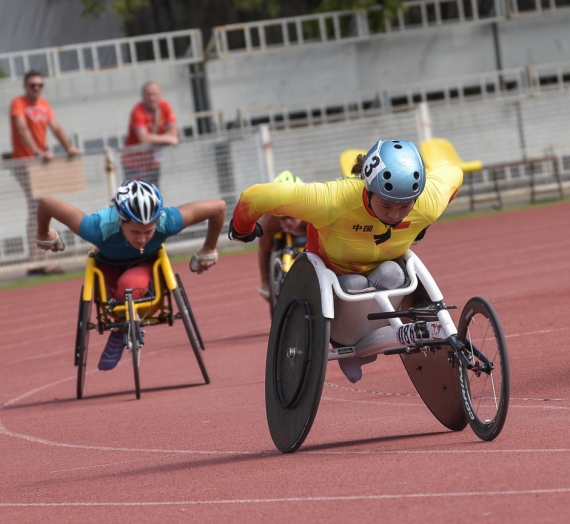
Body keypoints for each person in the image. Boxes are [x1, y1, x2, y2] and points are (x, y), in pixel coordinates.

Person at [228, 139, 463, 383]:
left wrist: (424, 223)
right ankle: (347, 342)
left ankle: (370, 330)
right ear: (368, 190)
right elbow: (254, 197)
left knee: (393, 273)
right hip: (336, 275)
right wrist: (241, 228)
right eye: (386, 205)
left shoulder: (427, 203)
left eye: (405, 206)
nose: (394, 214)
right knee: (354, 284)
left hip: (385, 270)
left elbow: (454, 174)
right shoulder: (331, 199)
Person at [35, 179, 225, 371]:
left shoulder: (168, 221)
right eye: (134, 231)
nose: (142, 239)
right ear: (120, 220)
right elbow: (46, 203)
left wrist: (209, 249)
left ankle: (120, 329)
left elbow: (218, 208)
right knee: (110, 298)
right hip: (107, 264)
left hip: (143, 264)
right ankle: (120, 325)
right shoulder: (96, 227)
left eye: (149, 231)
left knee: (129, 288)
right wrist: (43, 234)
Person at [10, 69, 79, 275]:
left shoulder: (43, 104)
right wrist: (37, 151)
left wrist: (69, 147)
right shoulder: (18, 103)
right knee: (38, 209)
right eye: (32, 85)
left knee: (38, 209)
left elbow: (55, 127)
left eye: (40, 85)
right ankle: (38, 261)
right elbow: (22, 129)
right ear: (25, 86)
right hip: (25, 162)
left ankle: (39, 260)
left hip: (40, 164)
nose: (37, 88)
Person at [257, 170, 308, 301]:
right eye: (280, 217)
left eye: (289, 217)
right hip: (282, 242)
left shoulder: (314, 213)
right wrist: (265, 283)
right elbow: (264, 251)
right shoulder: (270, 221)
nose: (285, 223)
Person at [121, 81, 179, 189]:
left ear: (160, 94)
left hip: (152, 162)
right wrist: (168, 139)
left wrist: (167, 138)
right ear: (143, 96)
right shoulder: (137, 111)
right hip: (134, 164)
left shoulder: (165, 106)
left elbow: (174, 132)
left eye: (155, 94)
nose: (152, 98)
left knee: (155, 194)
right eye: (149, 95)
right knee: (135, 197)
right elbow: (144, 138)